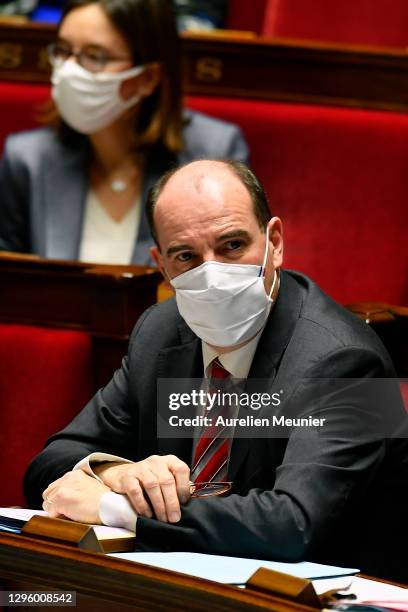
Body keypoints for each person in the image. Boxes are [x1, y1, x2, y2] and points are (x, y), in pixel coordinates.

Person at [24, 160, 407, 582]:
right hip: (179, 584)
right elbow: (52, 463)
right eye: (187, 256)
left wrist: (115, 507)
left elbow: (293, 525)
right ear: (162, 265)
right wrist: (117, 473)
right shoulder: (160, 331)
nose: (213, 272)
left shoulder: (352, 360)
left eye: (232, 245)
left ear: (274, 242)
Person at [0, 0, 248, 265]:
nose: (68, 70)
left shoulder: (213, 155)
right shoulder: (27, 159)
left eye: (95, 56)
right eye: (62, 51)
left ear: (148, 77)